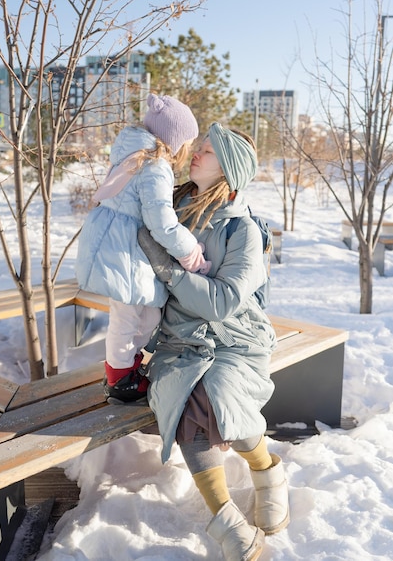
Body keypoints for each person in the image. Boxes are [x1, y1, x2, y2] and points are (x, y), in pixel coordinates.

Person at [138, 123, 289, 561]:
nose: (196, 154)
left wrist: (168, 270)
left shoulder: (244, 231)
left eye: (207, 150)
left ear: (230, 168)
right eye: (198, 146)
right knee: (185, 395)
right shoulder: (170, 208)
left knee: (217, 392)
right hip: (179, 341)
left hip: (235, 340)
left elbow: (223, 302)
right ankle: (228, 522)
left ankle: (267, 472)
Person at [76, 93, 210, 404]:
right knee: (127, 316)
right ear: (174, 139)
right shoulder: (154, 166)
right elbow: (161, 221)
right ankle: (120, 378)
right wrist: (189, 250)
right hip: (122, 250)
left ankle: (127, 364)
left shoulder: (139, 156)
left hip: (124, 246)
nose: (188, 150)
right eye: (188, 143)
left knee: (147, 314)